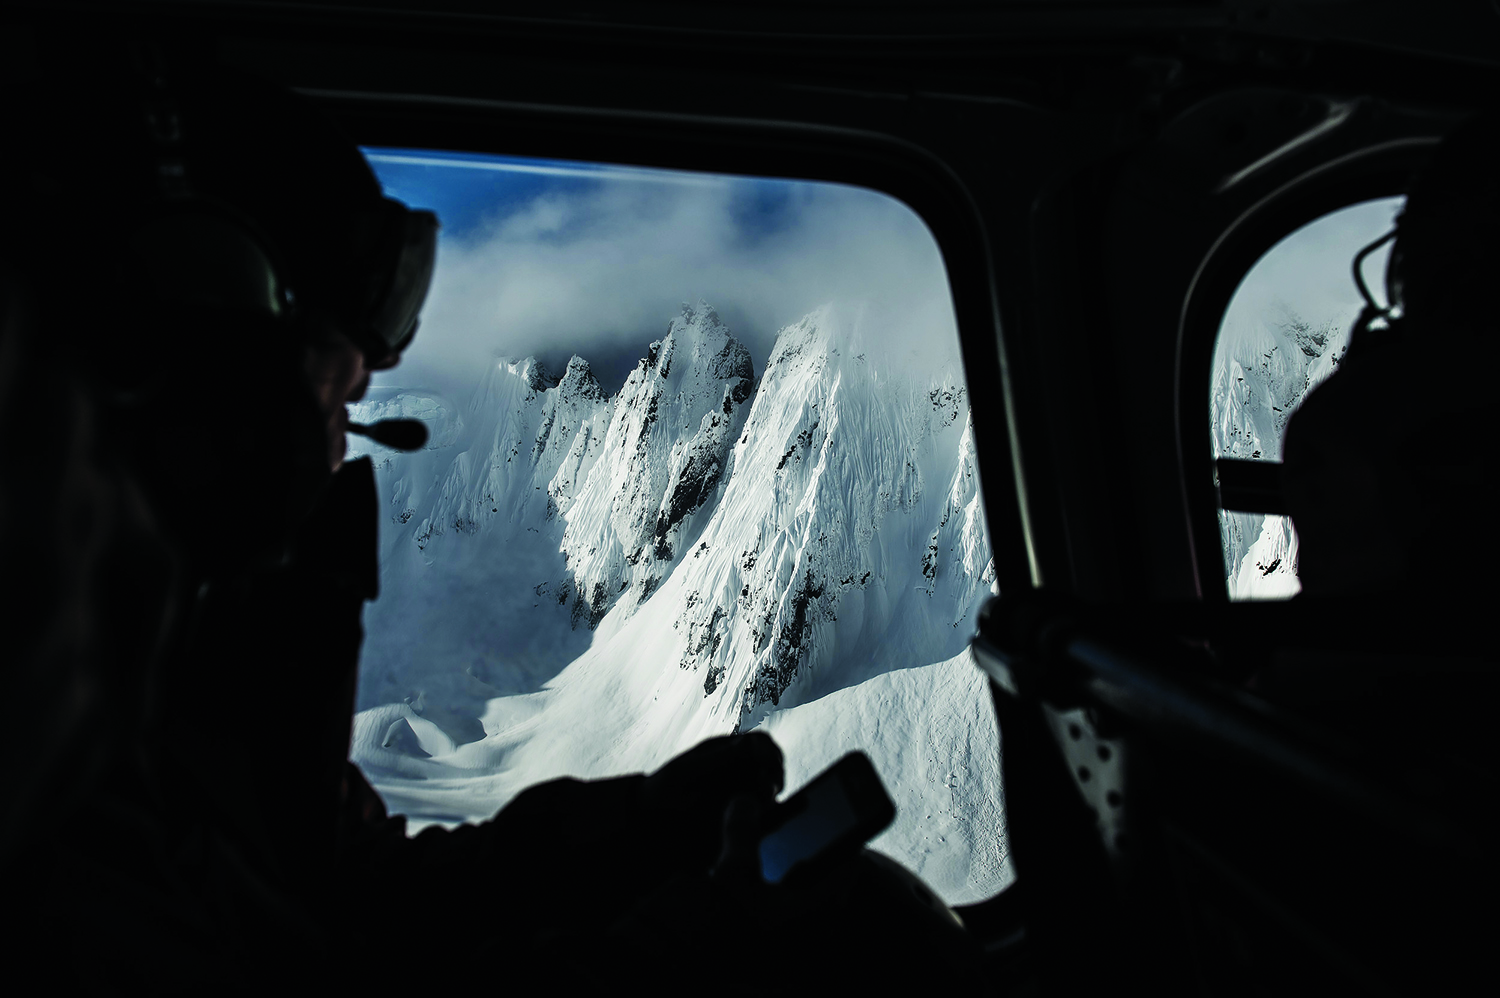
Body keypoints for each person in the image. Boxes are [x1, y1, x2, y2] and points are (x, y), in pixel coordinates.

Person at [4, 52, 977, 992]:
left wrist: (639, 827)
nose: (340, 446)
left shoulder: (173, 670)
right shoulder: (49, 740)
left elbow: (360, 904)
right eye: (330, 389)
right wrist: (699, 945)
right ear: (198, 345)